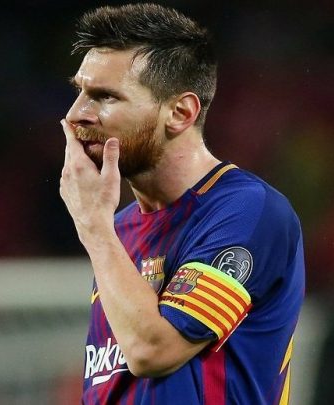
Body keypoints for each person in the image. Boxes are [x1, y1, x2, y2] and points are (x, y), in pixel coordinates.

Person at [58, 3, 305, 404]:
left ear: (180, 112)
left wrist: (93, 228)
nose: (76, 115)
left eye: (104, 97)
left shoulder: (247, 211)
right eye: (79, 93)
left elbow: (153, 351)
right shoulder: (118, 228)